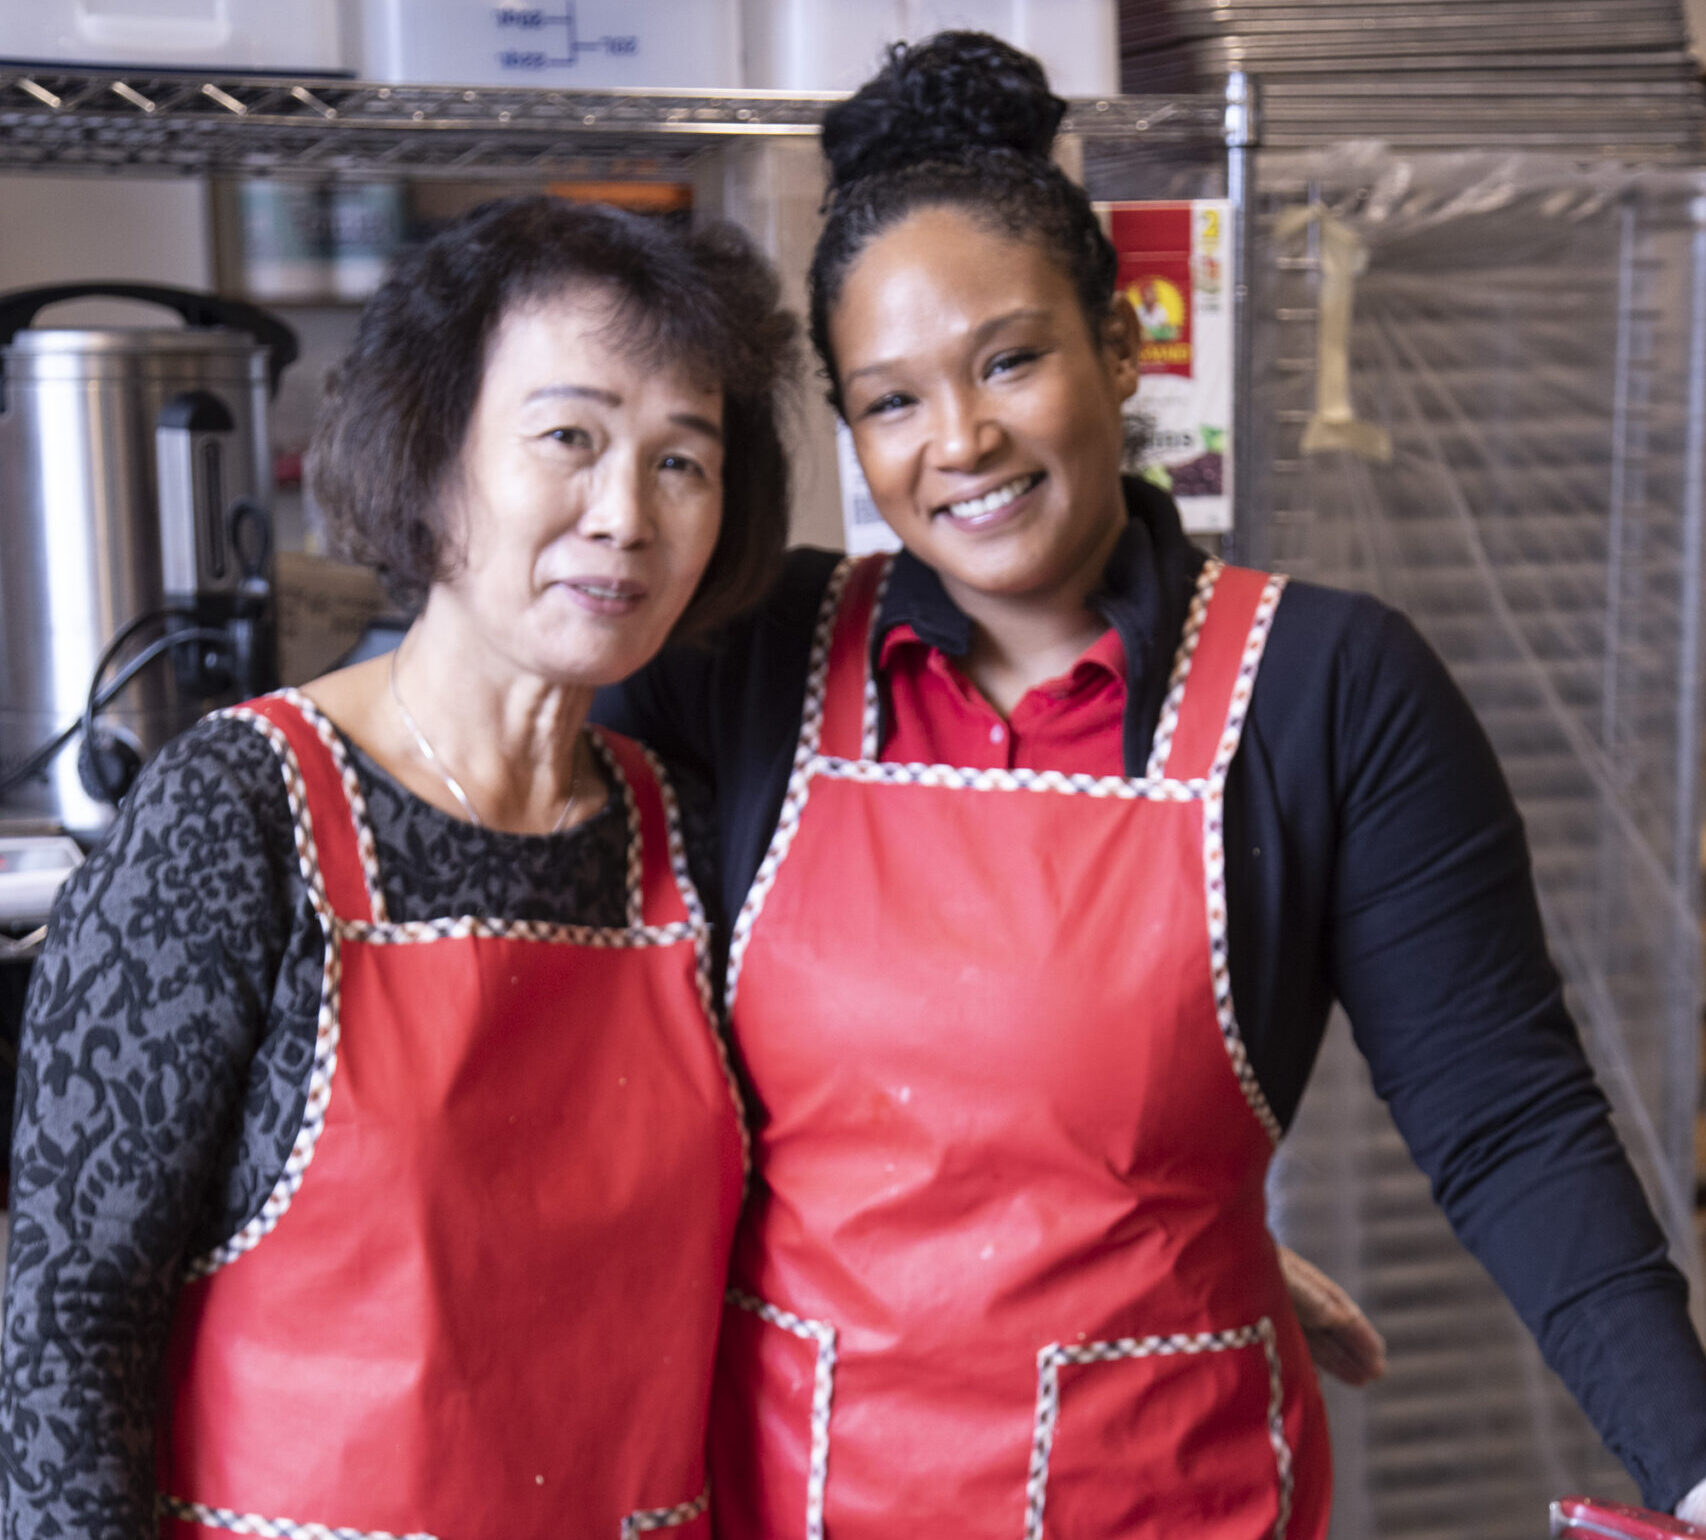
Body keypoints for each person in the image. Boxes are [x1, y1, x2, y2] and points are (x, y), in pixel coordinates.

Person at [597, 32, 1706, 1537]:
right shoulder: (749, 655)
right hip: (795, 1494)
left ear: (1120, 351)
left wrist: (1692, 1462)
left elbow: (1504, 1116)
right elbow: (536, 936)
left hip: (1164, 1495)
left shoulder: (1325, 691)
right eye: (891, 402)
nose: (961, 443)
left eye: (1009, 360)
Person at [1, 194, 795, 1540]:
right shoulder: (240, 813)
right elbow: (67, 1328)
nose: (626, 515)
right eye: (569, 439)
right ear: (433, 459)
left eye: (683, 462)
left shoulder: (684, 835)